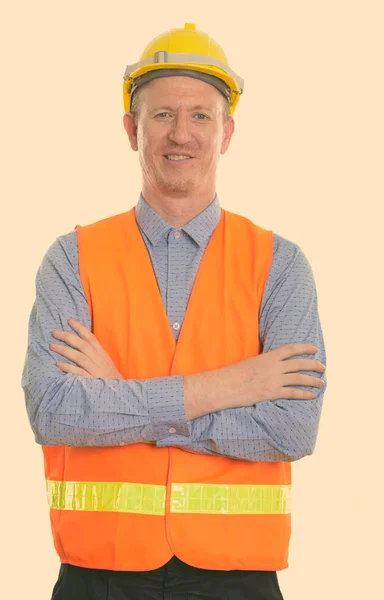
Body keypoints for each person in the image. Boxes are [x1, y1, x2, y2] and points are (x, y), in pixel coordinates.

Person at [21, 22, 327, 600]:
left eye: (200, 116)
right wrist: (234, 384)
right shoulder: (72, 258)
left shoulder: (280, 266)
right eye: (161, 115)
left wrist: (125, 400)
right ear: (131, 129)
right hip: (98, 573)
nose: (180, 133)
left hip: (238, 577)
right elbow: (56, 411)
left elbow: (292, 427)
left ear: (227, 132)